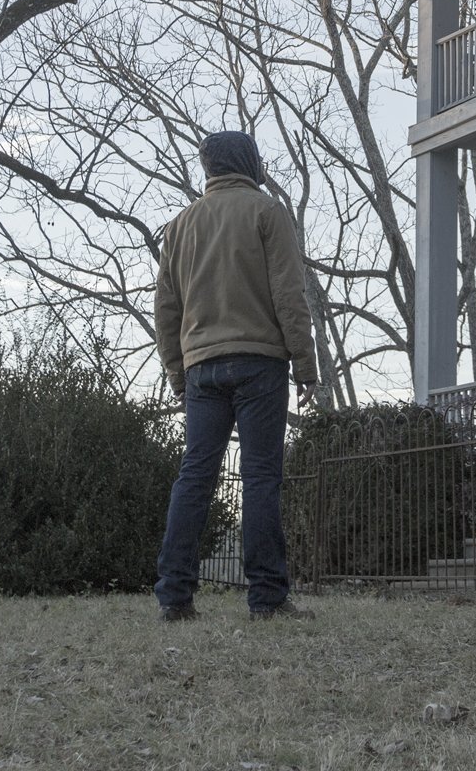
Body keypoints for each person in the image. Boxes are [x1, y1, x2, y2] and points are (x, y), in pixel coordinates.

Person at [152, 130, 319, 621]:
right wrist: (305, 364)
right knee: (260, 477)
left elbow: (166, 309)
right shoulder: (267, 212)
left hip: (201, 368)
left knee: (194, 477)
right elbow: (289, 294)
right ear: (251, 162)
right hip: (260, 362)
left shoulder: (180, 225)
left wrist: (177, 373)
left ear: (209, 168)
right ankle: (267, 599)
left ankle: (174, 599)